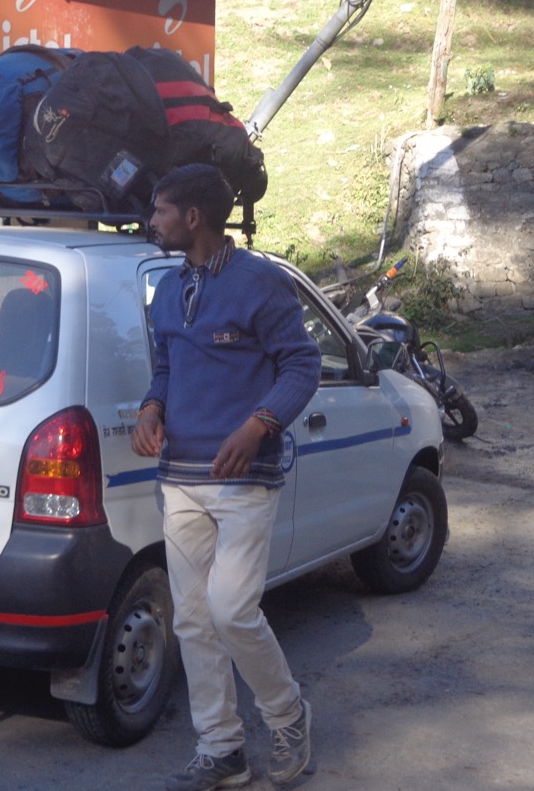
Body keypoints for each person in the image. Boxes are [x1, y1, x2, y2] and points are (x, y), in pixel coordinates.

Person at [131, 164, 321, 791]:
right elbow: (166, 368)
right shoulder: (168, 287)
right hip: (180, 477)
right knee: (191, 619)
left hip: (245, 478)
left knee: (231, 610)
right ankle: (221, 749)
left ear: (192, 218)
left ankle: (289, 717)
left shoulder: (259, 283)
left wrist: (259, 424)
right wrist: (151, 408)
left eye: (159, 210)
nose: (151, 220)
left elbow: (301, 364)